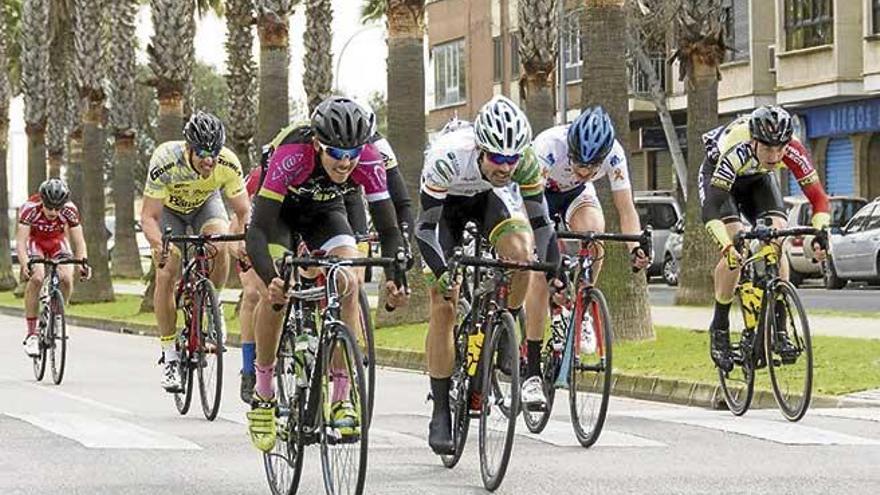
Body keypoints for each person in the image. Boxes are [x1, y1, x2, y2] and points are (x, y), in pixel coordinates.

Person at [245, 96, 409, 452]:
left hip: (326, 212)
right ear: (318, 144)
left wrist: (398, 275)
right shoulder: (293, 153)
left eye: (352, 153)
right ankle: (263, 391)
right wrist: (270, 277)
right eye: (336, 153)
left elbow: (390, 227)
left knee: (349, 280)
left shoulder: (366, 158)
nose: (346, 161)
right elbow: (257, 231)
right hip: (281, 215)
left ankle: (340, 396)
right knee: (275, 293)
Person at [416, 95, 555, 454]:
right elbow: (424, 231)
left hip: (487, 202)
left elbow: (541, 223)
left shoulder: (522, 161)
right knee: (443, 304)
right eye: (497, 158)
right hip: (444, 213)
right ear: (480, 148)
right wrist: (442, 273)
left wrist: (554, 267)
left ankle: (506, 323)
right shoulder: (448, 157)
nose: (505, 166)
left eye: (511, 159)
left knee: (522, 256)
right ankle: (442, 408)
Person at [523, 106, 650, 407]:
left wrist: (636, 249)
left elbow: (626, 209)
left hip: (575, 197)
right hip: (536, 197)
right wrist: (546, 252)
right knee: (540, 270)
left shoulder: (615, 154)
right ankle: (531, 371)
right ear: (571, 148)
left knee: (595, 233)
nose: (585, 172)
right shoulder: (548, 147)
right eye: (580, 164)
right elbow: (532, 209)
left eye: (593, 167)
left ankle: (584, 304)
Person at [700, 105, 830, 372]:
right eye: (768, 148)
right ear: (754, 141)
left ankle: (779, 327)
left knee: (777, 237)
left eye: (779, 148)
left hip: (758, 180)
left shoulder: (791, 149)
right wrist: (726, 245)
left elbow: (819, 199)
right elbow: (711, 210)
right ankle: (720, 327)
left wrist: (821, 232)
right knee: (739, 246)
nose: (774, 155)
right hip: (722, 180)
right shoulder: (737, 148)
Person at [140, 111, 251, 392]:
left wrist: (241, 241)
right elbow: (149, 217)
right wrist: (158, 247)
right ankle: (170, 356)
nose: (209, 160)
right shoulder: (165, 160)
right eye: (202, 152)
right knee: (167, 270)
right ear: (188, 147)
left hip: (205, 203)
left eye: (213, 152)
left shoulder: (227, 162)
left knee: (218, 243)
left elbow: (243, 211)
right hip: (170, 210)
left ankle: (211, 306)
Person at [16, 178, 91, 357]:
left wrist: (83, 263)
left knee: (66, 277)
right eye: (49, 207)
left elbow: (79, 242)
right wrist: (25, 262)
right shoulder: (29, 209)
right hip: (36, 243)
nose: (53, 212)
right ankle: (32, 334)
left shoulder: (70, 210)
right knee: (37, 277)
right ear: (42, 201)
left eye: (58, 208)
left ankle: (58, 316)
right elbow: (21, 242)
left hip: (57, 242)